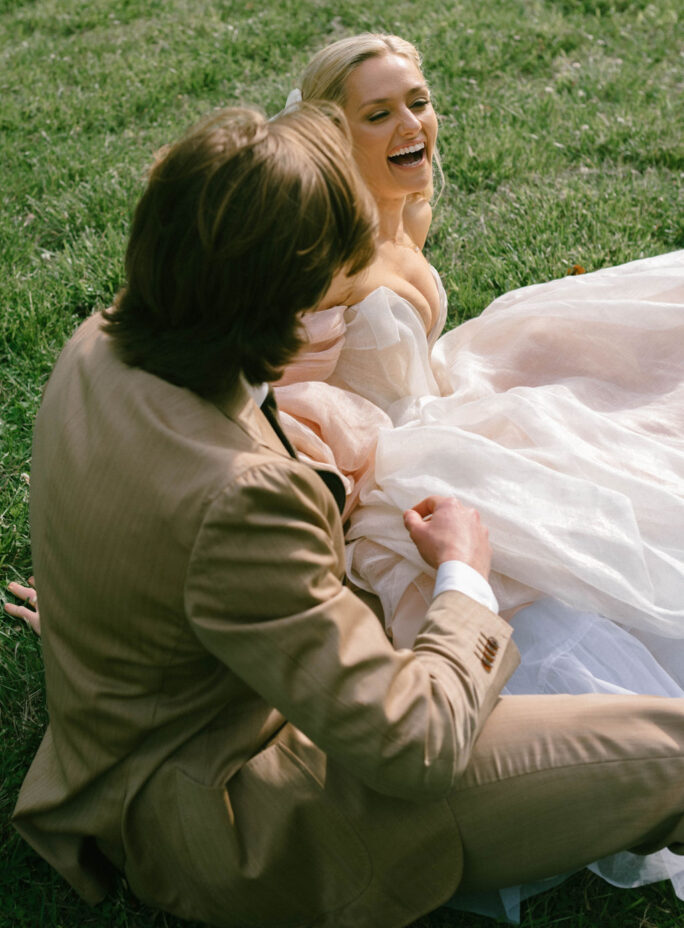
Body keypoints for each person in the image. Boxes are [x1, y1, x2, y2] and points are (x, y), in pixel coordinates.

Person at [10, 100, 684, 928]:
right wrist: (462, 577)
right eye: (330, 290)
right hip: (239, 812)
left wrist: (108, 626)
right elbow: (416, 743)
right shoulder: (242, 499)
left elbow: (158, 538)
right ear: (283, 301)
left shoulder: (102, 344)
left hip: (150, 729)